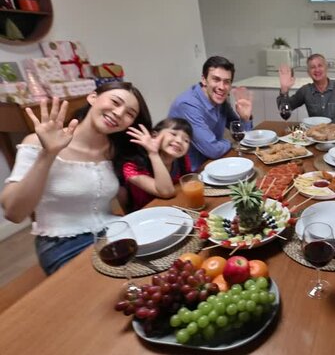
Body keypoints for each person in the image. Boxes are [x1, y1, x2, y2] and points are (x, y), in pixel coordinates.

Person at [0, 82, 152, 275]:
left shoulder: (116, 150)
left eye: (130, 113)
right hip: (63, 244)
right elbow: (14, 213)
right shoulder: (37, 143)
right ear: (93, 97)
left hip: (112, 232)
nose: (119, 113)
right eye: (115, 102)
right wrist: (48, 154)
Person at [168, 55, 253, 172]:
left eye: (227, 82)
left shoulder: (220, 100)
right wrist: (231, 142)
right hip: (189, 175)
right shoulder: (188, 105)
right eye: (216, 79)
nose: (222, 87)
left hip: (212, 164)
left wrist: (245, 118)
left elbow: (242, 135)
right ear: (204, 79)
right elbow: (213, 150)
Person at [121, 118, 193, 212]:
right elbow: (166, 192)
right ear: (154, 135)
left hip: (177, 207)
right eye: (173, 134)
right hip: (147, 213)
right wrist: (153, 154)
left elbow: (187, 184)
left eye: (186, 140)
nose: (179, 141)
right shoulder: (132, 166)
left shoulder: (183, 160)